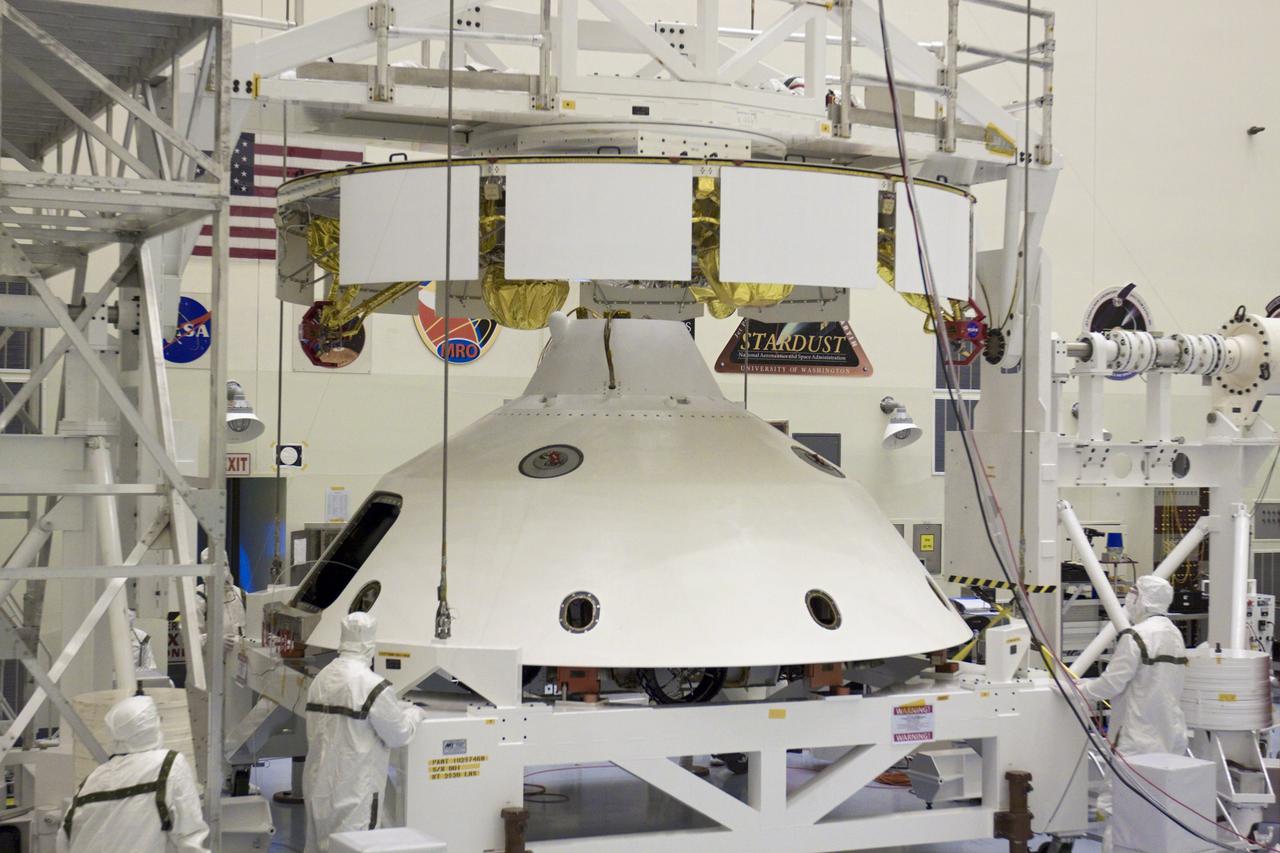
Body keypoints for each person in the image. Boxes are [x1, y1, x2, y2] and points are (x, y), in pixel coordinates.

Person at [1079, 574, 1189, 852]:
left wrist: (1080, 690)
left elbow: (1113, 682)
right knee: (1157, 806)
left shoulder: (1136, 636)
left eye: (1133, 593)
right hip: (1170, 734)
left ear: (1144, 598)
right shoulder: (1174, 634)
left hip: (1136, 737)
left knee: (1117, 807)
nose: (1129, 598)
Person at [303, 612, 426, 853]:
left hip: (318, 785)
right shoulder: (373, 686)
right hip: (354, 790)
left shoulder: (321, 678)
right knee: (355, 847)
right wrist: (415, 713)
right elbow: (398, 734)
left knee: (320, 846)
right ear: (370, 642)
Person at [57, 694, 208, 853]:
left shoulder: (93, 778)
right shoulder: (169, 764)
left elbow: (64, 838)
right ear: (152, 728)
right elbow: (190, 836)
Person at [197, 548, 246, 646]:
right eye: (216, 565)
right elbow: (190, 638)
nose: (222, 569)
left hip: (240, 658)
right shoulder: (199, 597)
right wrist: (214, 640)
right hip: (211, 659)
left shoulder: (240, 594)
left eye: (224, 564)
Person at [127, 607, 158, 672]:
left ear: (134, 618)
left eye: (130, 616)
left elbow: (149, 661)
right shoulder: (108, 637)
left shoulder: (143, 636)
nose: (128, 619)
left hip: (136, 675)